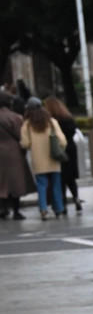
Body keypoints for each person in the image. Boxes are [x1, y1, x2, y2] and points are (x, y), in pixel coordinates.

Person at [19, 98, 67, 219]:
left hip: (38, 159)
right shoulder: (51, 122)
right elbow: (62, 140)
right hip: (53, 158)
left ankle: (43, 209)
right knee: (56, 185)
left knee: (41, 186)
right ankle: (59, 209)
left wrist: (33, 146)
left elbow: (25, 143)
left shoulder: (27, 124)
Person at [44, 96, 81, 213]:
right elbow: (74, 130)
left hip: (59, 149)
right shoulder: (69, 118)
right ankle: (76, 198)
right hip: (71, 148)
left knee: (61, 178)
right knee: (71, 177)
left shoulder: (52, 121)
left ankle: (63, 202)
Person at [0, 90, 32, 220]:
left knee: (1, 182)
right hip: (13, 151)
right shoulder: (15, 117)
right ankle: (16, 211)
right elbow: (22, 136)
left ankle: (3, 208)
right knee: (15, 181)